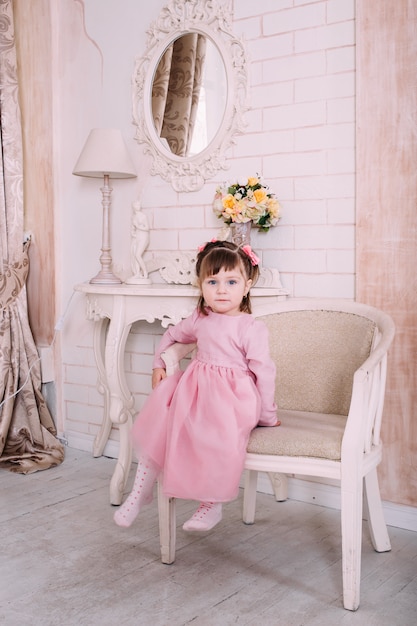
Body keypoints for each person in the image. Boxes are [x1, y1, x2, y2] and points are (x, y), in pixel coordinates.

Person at [114, 240, 280, 532]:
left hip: (233, 399)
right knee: (161, 426)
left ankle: (210, 504)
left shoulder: (250, 327)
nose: (221, 289)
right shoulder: (200, 318)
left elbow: (264, 372)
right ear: (201, 285)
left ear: (247, 285)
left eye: (231, 281)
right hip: (197, 391)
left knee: (215, 434)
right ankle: (139, 493)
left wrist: (267, 414)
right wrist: (158, 364)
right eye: (212, 281)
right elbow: (171, 336)